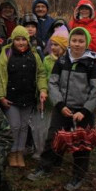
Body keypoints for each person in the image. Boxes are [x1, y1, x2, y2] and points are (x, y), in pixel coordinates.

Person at [27, 27, 96, 191]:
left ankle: (78, 175)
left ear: (86, 43)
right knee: (53, 137)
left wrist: (85, 110)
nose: (77, 44)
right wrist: (59, 104)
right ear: (69, 42)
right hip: (62, 108)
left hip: (82, 112)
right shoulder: (62, 61)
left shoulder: (91, 63)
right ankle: (45, 166)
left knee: (81, 144)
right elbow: (52, 83)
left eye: (81, 41)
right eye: (74, 41)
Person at [0, 25, 47, 168]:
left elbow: (41, 74)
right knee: (14, 126)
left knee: (24, 126)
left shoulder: (34, 55)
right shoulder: (6, 53)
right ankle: (12, 152)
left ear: (28, 40)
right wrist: (1, 96)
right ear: (13, 40)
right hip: (11, 98)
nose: (20, 42)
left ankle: (20, 151)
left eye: (23, 39)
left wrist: (42, 89)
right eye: (17, 39)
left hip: (28, 97)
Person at [31, 26, 69, 159]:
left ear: (64, 46)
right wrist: (42, 92)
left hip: (60, 102)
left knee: (57, 129)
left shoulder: (68, 62)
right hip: (46, 100)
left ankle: (58, 151)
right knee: (42, 127)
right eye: (52, 44)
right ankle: (41, 149)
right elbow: (43, 77)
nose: (53, 47)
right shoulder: (47, 60)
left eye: (57, 45)